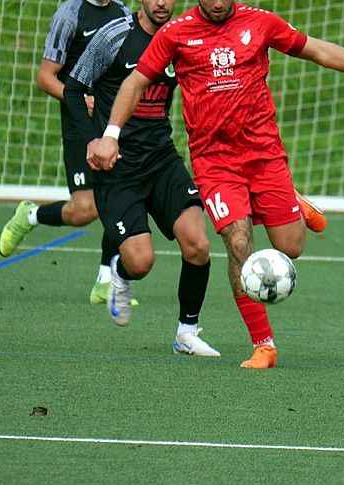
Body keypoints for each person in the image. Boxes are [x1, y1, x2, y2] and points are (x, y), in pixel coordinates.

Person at [89, 0, 344, 368]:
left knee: (291, 246)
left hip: (264, 156)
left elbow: (316, 49)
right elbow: (135, 82)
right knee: (239, 243)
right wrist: (110, 134)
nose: (218, 3)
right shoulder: (176, 33)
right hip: (215, 163)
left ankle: (290, 201)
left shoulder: (261, 22)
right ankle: (264, 346)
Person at [64, 0, 220, 356]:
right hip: (117, 167)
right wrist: (93, 140)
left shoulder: (182, 38)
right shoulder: (114, 36)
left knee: (198, 244)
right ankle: (120, 272)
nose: (162, 2)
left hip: (161, 159)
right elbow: (74, 89)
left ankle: (186, 333)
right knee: (140, 262)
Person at [0, 0, 131, 306]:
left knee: (121, 197)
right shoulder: (69, 14)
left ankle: (106, 281)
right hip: (79, 126)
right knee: (85, 210)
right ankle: (30, 215)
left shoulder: (123, 13)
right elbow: (46, 77)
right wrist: (78, 99)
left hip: (112, 123)